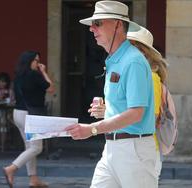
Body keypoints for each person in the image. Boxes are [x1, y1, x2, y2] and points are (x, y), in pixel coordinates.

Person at [66, 1, 158, 188]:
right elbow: (126, 109)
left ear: (117, 24)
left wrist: (91, 129)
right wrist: (106, 111)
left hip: (134, 149)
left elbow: (136, 113)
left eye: (98, 23)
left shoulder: (133, 61)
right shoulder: (115, 59)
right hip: (112, 148)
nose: (92, 29)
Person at [89, 25, 169, 180]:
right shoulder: (128, 68)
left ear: (138, 49)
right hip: (119, 146)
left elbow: (148, 116)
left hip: (137, 148)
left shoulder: (149, 76)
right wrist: (107, 111)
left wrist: (102, 118)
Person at [3, 51, 54, 188]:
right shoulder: (35, 75)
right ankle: (12, 168)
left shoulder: (18, 76)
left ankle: (33, 179)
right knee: (37, 148)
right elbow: (51, 88)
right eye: (36, 61)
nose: (38, 64)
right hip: (31, 115)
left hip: (18, 113)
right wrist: (44, 72)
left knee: (29, 147)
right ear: (30, 61)